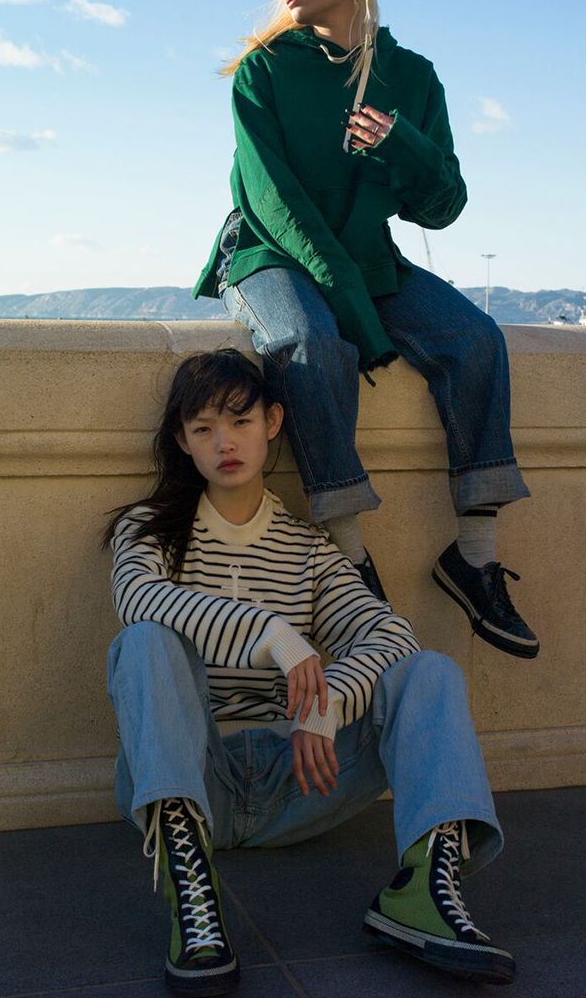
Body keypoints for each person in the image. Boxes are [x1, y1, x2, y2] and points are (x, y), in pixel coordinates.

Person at [103, 348, 516, 995]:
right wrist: (273, 636)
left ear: (272, 422)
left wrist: (325, 707)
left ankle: (424, 892)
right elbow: (138, 598)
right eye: (204, 428)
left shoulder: (309, 549)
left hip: (299, 776)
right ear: (183, 441)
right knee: (144, 640)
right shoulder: (149, 531)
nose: (224, 442)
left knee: (428, 670)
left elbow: (389, 635)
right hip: (193, 775)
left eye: (239, 421)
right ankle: (193, 897)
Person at [193, 0, 539, 661]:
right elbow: (273, 201)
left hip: (366, 259)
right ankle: (348, 561)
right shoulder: (264, 71)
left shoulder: (413, 76)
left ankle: (474, 557)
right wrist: (345, 294)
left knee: (477, 338)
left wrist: (399, 141)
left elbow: (442, 206)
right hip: (269, 254)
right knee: (313, 342)